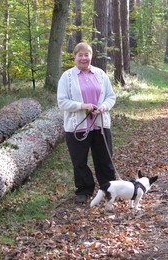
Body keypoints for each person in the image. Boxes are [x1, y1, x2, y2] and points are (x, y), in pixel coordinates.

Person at [57, 42, 116, 204]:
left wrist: (102, 107)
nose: (84, 58)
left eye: (86, 54)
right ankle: (84, 190)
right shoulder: (67, 77)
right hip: (77, 127)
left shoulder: (101, 74)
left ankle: (109, 189)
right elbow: (62, 102)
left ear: (91, 56)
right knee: (79, 161)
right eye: (80, 55)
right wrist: (82, 106)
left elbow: (111, 97)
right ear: (74, 57)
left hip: (100, 125)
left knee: (105, 158)